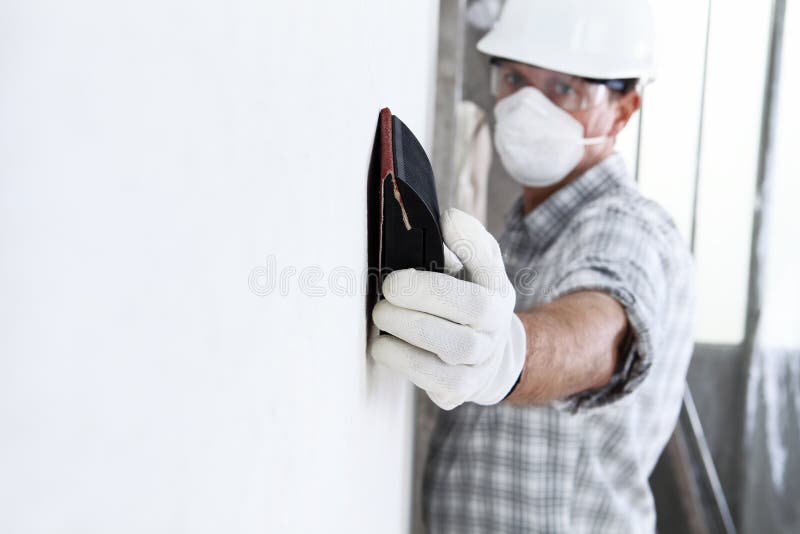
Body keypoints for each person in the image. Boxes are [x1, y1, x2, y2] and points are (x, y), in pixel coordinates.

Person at [369, 0, 695, 532]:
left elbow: (601, 330)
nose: (526, 106)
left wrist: (509, 357)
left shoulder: (630, 226)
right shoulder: (518, 229)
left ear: (624, 108)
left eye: (563, 89)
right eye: (515, 77)